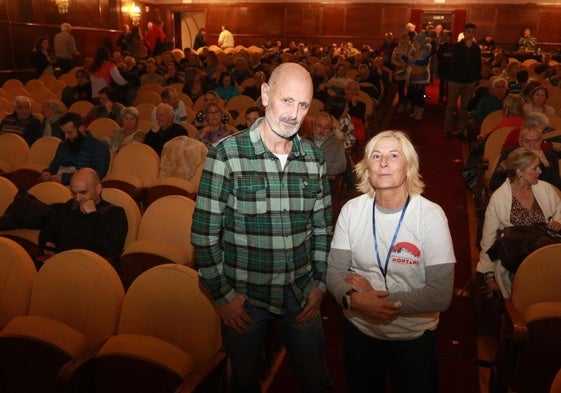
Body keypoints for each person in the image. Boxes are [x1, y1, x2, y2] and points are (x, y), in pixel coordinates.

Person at [191, 62, 332, 393]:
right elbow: (203, 236)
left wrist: (319, 283)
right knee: (244, 382)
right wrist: (223, 297)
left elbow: (323, 227)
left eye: (303, 105)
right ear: (266, 94)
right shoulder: (226, 155)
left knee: (317, 380)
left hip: (301, 293)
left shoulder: (313, 158)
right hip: (245, 301)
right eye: (287, 100)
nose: (294, 114)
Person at [326, 130, 455, 393]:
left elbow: (440, 295)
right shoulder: (352, 211)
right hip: (359, 332)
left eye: (393, 155)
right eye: (376, 155)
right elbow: (334, 273)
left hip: (413, 338)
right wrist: (354, 299)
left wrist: (374, 300)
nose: (383, 162)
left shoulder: (431, 216)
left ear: (409, 168)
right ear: (366, 168)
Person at [478, 147, 561, 297]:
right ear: (519, 172)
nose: (540, 172)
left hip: (547, 254)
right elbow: (488, 238)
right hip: (516, 263)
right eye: (535, 168)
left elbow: (559, 210)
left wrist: (557, 221)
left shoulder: (546, 189)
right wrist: (489, 275)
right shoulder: (499, 198)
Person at [38, 167, 128, 260]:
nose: (78, 198)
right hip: (61, 260)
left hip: (89, 265)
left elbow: (113, 248)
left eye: (83, 192)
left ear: (98, 189)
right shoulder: (70, 205)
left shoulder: (115, 212)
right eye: (73, 193)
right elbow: (47, 231)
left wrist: (93, 214)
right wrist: (47, 243)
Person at [41, 112, 110, 185]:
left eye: (69, 133)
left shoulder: (99, 148)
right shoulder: (63, 145)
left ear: (81, 128)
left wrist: (65, 178)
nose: (66, 137)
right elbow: (55, 164)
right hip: (57, 185)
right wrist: (48, 172)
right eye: (64, 133)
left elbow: (96, 176)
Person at [489, 123, 561, 192]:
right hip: (514, 195)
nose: (532, 145)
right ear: (520, 142)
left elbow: (557, 188)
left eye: (536, 141)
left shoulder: (550, 157)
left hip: (543, 198)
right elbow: (495, 183)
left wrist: (546, 164)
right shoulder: (510, 154)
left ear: (541, 140)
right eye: (527, 141)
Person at [443, 23, 481, 139]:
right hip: (455, 80)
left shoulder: (476, 48)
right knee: (450, 106)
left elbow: (476, 64)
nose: (470, 34)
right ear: (464, 33)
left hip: (469, 81)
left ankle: (461, 130)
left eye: (472, 32)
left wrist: (476, 80)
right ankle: (447, 130)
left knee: (465, 107)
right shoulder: (457, 46)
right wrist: (467, 48)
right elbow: (460, 61)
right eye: (468, 32)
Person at [308, 110, 346, 184]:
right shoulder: (303, 140)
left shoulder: (336, 144)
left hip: (325, 184)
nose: (322, 130)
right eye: (319, 126)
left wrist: (321, 168)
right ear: (313, 125)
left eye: (326, 127)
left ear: (331, 129)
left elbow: (342, 165)